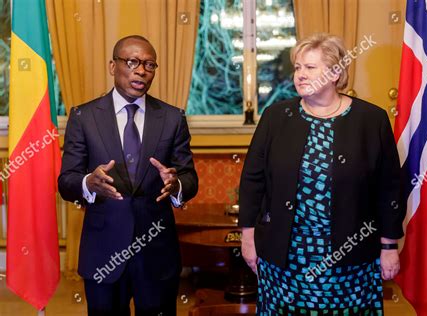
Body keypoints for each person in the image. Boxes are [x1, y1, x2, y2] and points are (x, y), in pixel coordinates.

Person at [239, 33, 406, 315]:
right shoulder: (276, 117)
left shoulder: (371, 120)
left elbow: (389, 188)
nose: (300, 75)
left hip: (350, 257)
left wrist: (389, 245)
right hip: (286, 257)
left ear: (335, 73)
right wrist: (247, 237)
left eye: (310, 67)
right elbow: (252, 181)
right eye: (298, 67)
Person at [58, 35, 198, 316]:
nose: (141, 70)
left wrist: (176, 184)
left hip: (157, 252)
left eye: (149, 64)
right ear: (113, 66)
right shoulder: (84, 117)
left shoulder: (172, 118)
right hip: (104, 253)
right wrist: (89, 183)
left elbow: (189, 177)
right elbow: (66, 181)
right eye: (132, 62)